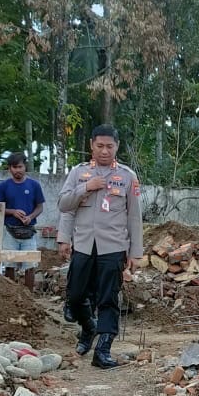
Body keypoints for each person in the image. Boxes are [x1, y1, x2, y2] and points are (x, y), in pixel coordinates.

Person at [57, 124, 143, 369]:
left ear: (117, 147)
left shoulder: (128, 177)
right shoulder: (78, 173)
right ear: (91, 146)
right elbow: (64, 206)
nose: (105, 151)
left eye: (110, 146)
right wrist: (86, 187)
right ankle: (88, 328)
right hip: (83, 244)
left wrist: (136, 252)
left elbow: (134, 217)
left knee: (108, 299)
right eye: (100, 146)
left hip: (113, 247)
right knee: (75, 296)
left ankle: (103, 350)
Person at [0, 152, 45, 289]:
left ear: (25, 167)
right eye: (14, 167)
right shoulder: (3, 186)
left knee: (30, 265)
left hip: (28, 232)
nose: (18, 170)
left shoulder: (34, 185)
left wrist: (30, 217)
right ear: (9, 169)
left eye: (20, 167)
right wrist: (13, 212)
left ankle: (29, 296)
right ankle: (11, 294)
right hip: (10, 231)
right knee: (9, 264)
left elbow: (40, 207)